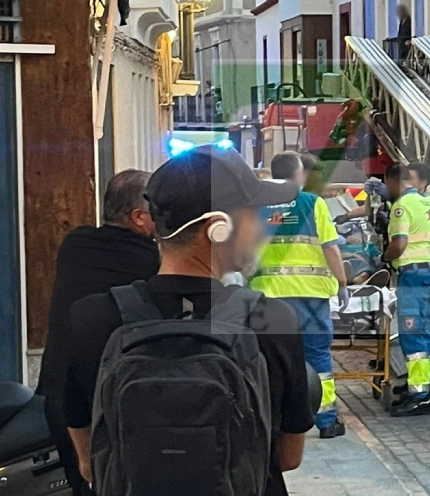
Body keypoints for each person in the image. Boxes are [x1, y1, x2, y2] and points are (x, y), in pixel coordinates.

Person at [59, 145, 313, 496]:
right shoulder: (272, 320)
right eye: (254, 214)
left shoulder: (90, 318)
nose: (261, 229)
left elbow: (89, 462)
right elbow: (287, 457)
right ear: (216, 228)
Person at [38, 169, 160, 496]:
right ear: (138, 217)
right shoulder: (149, 261)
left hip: (59, 396)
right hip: (109, 403)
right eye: (158, 212)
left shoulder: (74, 243)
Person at [252, 151, 349, 439]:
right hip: (310, 298)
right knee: (317, 356)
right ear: (298, 175)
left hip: (268, 299)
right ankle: (327, 420)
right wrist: (342, 282)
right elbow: (330, 247)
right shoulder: (312, 204)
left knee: (271, 358)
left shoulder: (257, 206)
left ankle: (275, 420)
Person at [383, 162, 430, 416]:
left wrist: (385, 258)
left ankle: (419, 397)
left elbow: (400, 243)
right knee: (424, 331)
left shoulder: (402, 206)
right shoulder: (429, 202)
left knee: (412, 335)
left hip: (412, 274)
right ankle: (423, 387)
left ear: (395, 181)